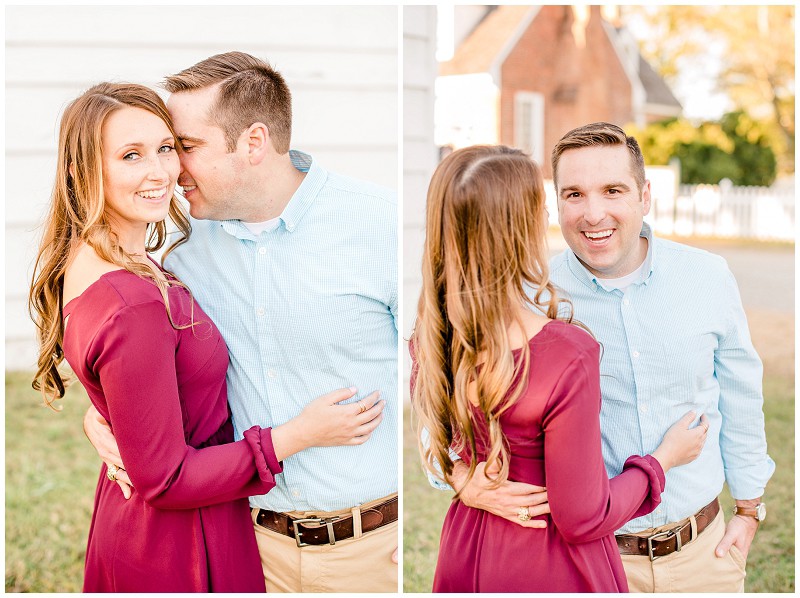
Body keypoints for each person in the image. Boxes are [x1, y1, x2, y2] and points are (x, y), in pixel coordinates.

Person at [28, 82, 385, 592]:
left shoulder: (102, 263)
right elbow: (167, 479)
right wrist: (299, 434)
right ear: (82, 170)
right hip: (179, 545)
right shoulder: (133, 299)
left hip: (145, 525)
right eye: (131, 155)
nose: (161, 172)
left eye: (168, 148)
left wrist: (108, 413)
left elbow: (129, 382)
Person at [453, 123, 775, 593]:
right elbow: (449, 405)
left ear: (645, 195)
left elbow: (741, 395)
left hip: (704, 554)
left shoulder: (707, 277)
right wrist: (460, 478)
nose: (593, 213)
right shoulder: (527, 298)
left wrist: (749, 510)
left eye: (612, 190)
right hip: (584, 563)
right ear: (554, 203)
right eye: (574, 194)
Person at [411, 144, 708, 592]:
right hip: (551, 566)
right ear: (523, 227)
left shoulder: (433, 338)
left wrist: (462, 477)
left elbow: (442, 442)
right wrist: (663, 459)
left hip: (469, 552)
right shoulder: (566, 353)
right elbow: (584, 517)